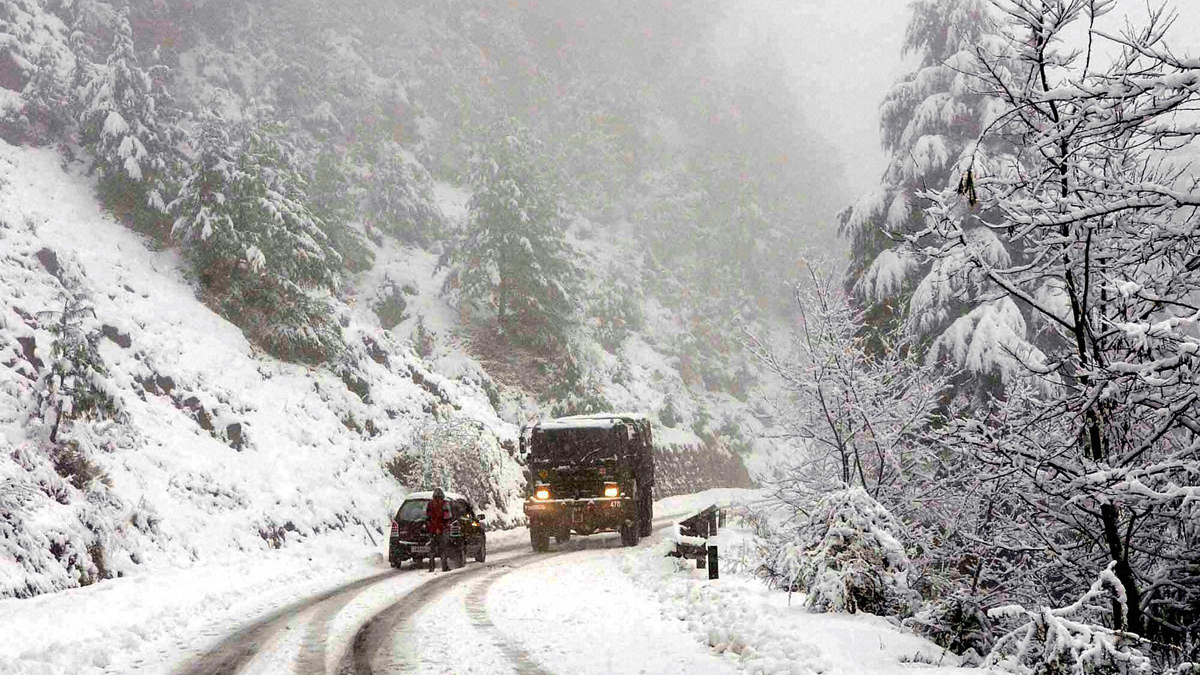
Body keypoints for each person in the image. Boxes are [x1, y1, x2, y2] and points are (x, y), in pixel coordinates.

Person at [426, 488, 452, 572]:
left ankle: (431, 566)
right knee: (443, 548)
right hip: (442, 529)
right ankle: (444, 566)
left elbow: (427, 516)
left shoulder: (430, 504)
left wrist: (432, 525)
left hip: (432, 529)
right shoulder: (444, 504)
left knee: (432, 549)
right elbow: (447, 517)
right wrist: (442, 525)